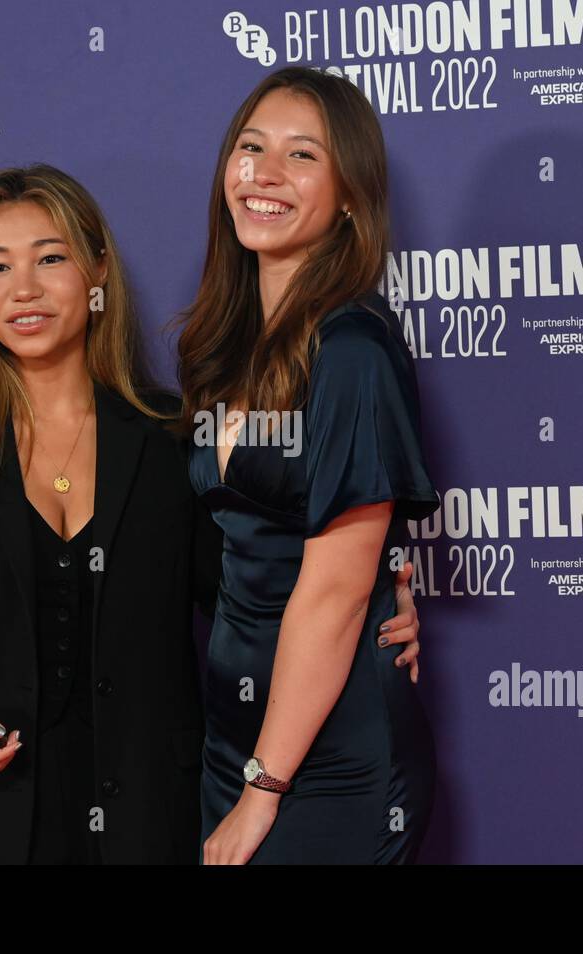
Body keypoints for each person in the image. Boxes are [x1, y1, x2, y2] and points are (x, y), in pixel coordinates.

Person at [0, 163, 427, 864]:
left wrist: (379, 603)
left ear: (98, 270)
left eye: (51, 258)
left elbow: (251, 593)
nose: (24, 290)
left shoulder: (174, 441)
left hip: (149, 827)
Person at [177, 68, 441, 864]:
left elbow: (332, 593)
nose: (263, 173)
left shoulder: (352, 351)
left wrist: (264, 793)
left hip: (324, 761)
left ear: (351, 194)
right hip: (238, 740)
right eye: (250, 148)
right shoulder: (226, 344)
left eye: (301, 156)